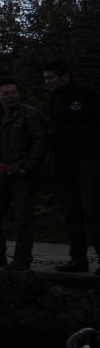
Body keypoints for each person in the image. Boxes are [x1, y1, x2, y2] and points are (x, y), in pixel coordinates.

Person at [0, 78, 47, 270]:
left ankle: (22, 258)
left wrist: (28, 167)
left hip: (22, 174)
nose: (11, 96)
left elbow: (40, 142)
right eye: (7, 93)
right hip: (0, 175)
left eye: (14, 92)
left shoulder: (30, 114)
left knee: (22, 218)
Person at [43, 60, 100, 274]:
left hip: (89, 159)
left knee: (93, 211)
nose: (47, 82)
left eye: (50, 78)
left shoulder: (88, 94)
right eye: (45, 78)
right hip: (64, 161)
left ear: (64, 76)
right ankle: (78, 259)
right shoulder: (54, 100)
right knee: (72, 212)